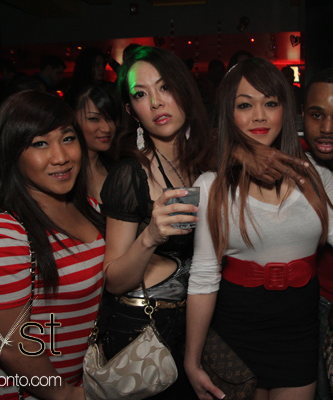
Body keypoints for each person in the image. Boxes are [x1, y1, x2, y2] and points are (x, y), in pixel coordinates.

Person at [185, 58, 333, 400]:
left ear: (285, 111)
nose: (259, 116)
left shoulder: (317, 176)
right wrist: (192, 359)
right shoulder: (211, 186)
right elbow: (203, 276)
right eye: (245, 105)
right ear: (229, 114)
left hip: (298, 334)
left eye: (270, 103)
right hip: (236, 333)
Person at [0, 90, 105, 399]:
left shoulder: (92, 209)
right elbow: (9, 346)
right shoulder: (1, 234)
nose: (61, 156)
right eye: (40, 144)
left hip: (82, 380)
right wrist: (65, 394)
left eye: (67, 138)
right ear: (12, 153)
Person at [98, 45, 209, 399]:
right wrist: (150, 236)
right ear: (131, 111)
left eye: (165, 87)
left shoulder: (205, 163)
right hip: (143, 333)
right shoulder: (129, 174)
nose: (157, 102)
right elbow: (114, 280)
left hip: (194, 327)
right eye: (141, 95)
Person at [68, 84, 120, 211]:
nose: (107, 128)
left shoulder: (118, 168)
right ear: (72, 119)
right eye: (94, 119)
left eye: (110, 119)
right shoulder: (63, 174)